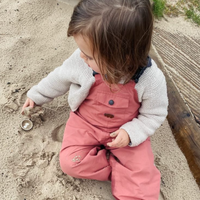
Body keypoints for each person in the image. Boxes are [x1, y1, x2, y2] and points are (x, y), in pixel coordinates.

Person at [22, 0, 168, 199]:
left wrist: (131, 133)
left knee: (144, 186)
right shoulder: (81, 60)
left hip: (124, 131)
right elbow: (60, 77)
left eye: (89, 56)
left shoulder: (150, 79)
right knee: (70, 163)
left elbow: (154, 114)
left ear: (121, 58)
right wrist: (37, 95)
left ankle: (127, 171)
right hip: (85, 123)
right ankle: (115, 168)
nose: (81, 57)